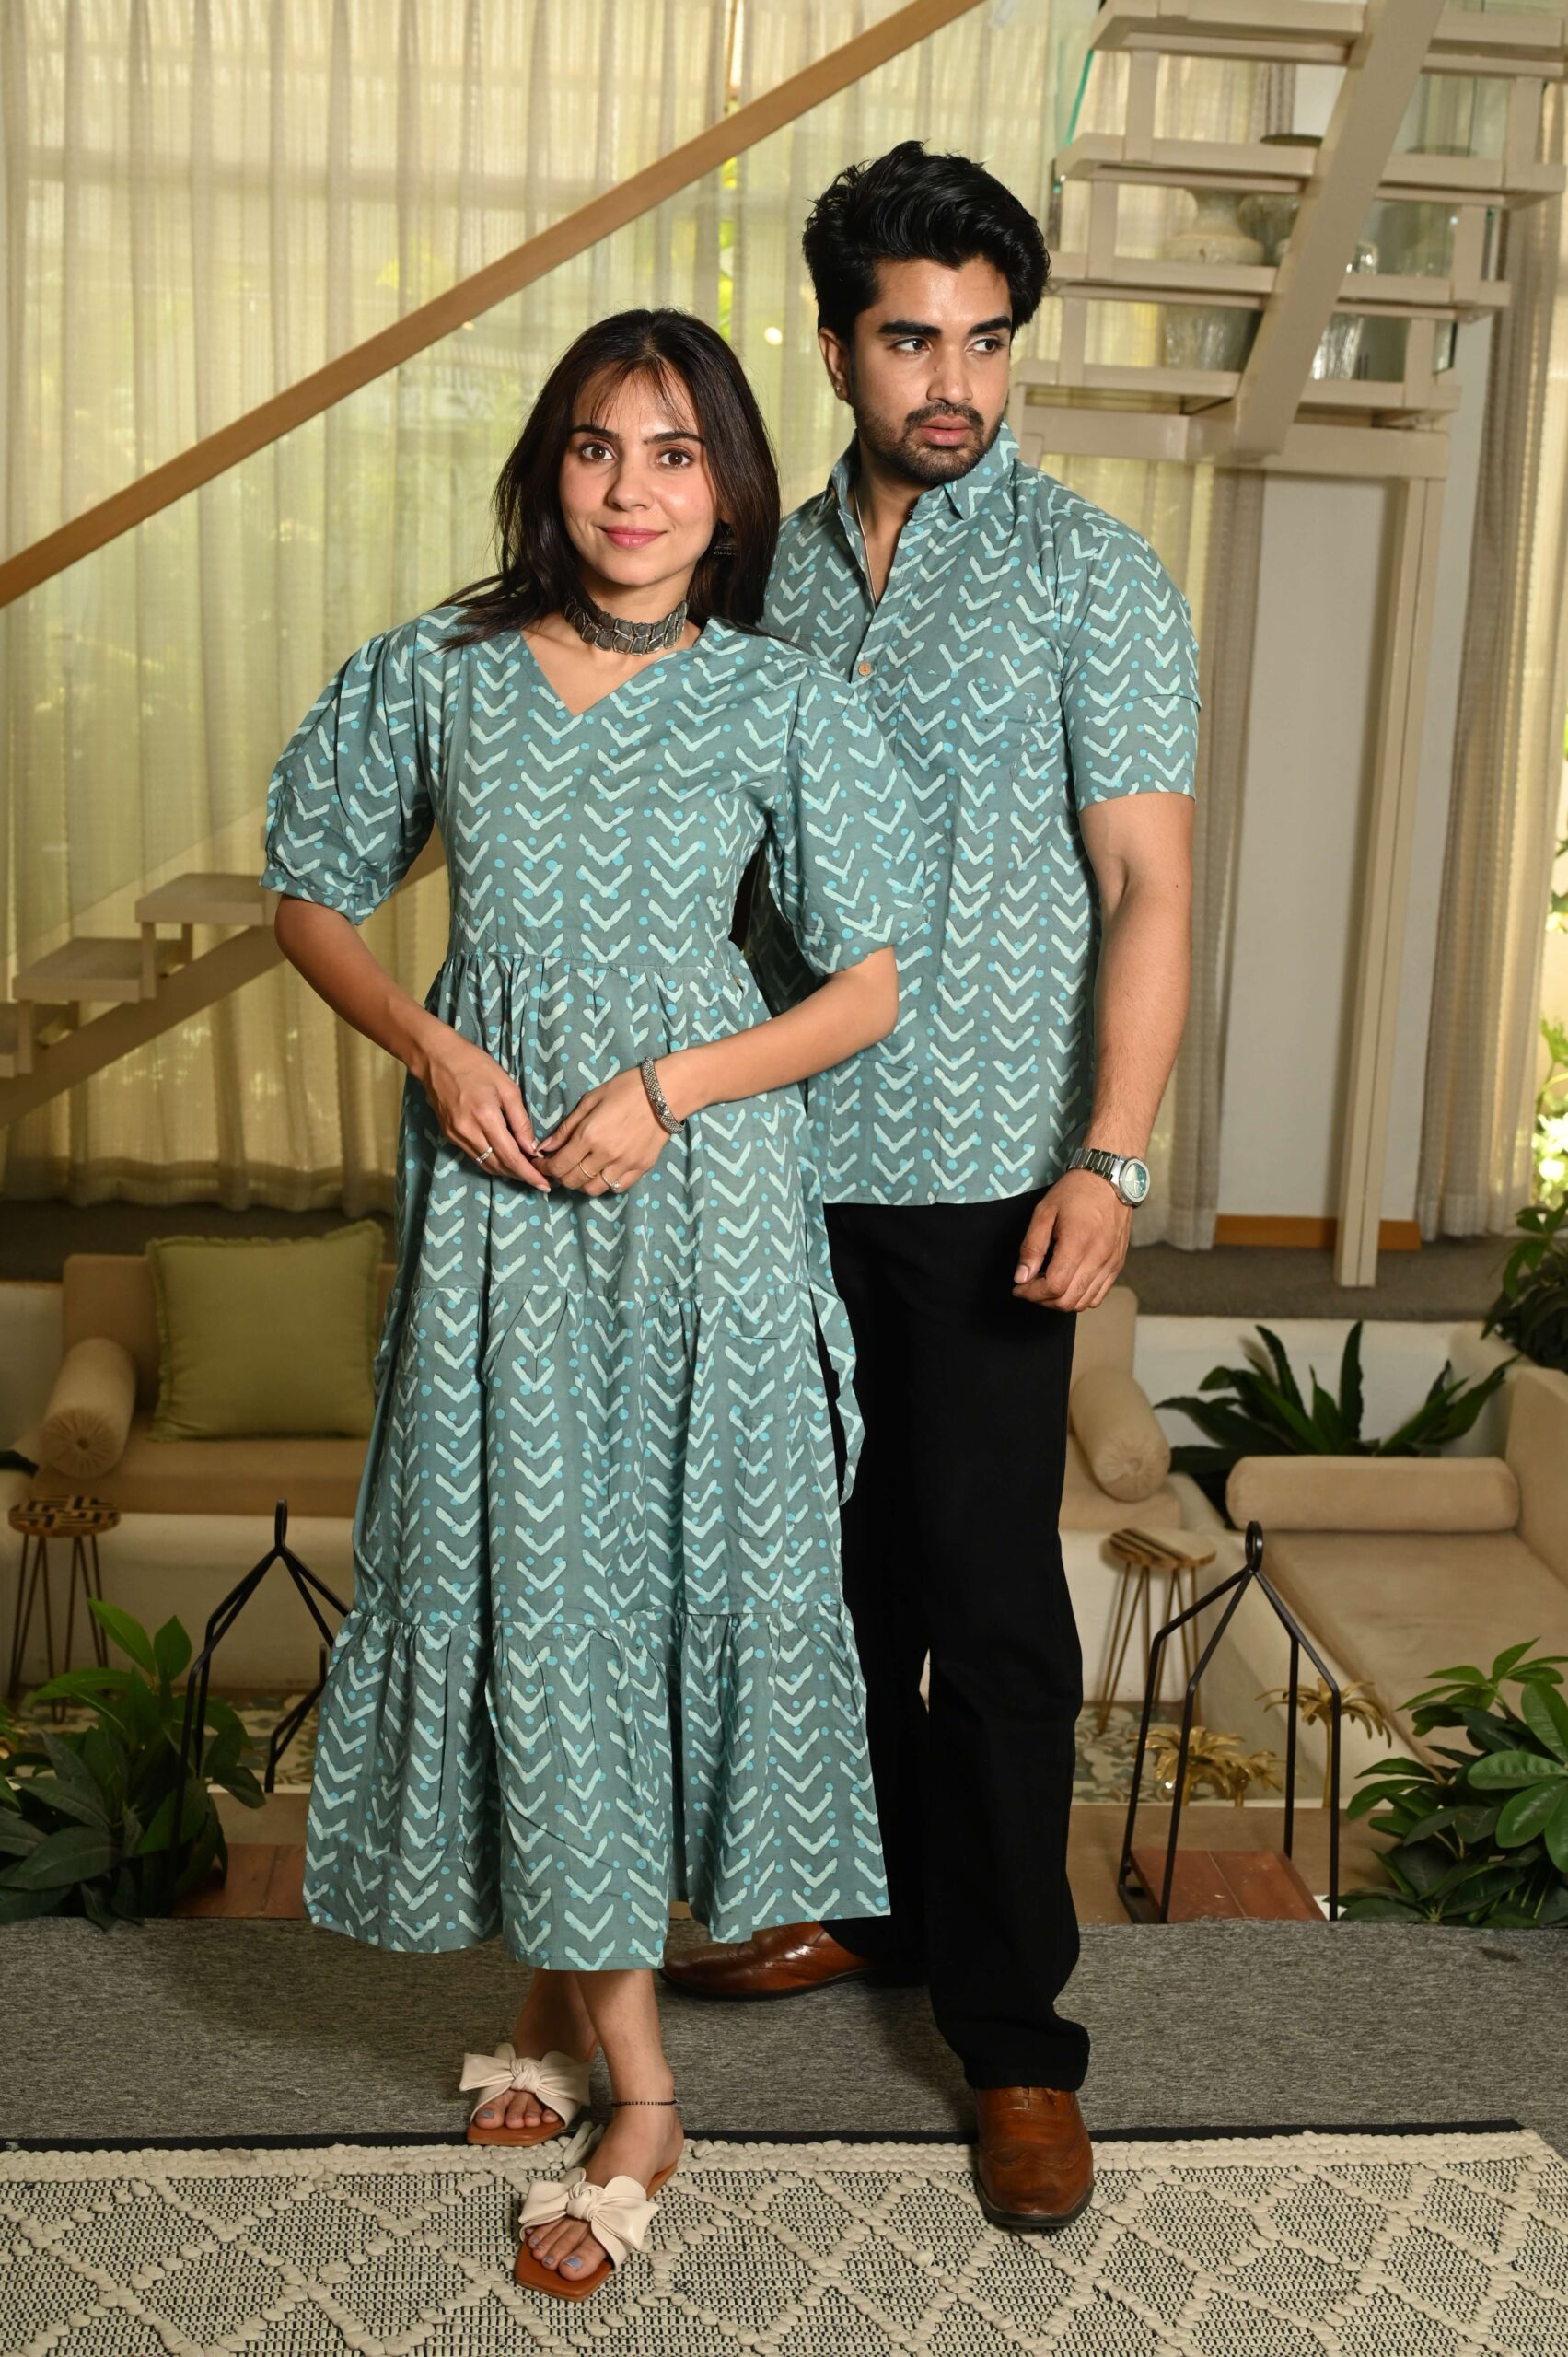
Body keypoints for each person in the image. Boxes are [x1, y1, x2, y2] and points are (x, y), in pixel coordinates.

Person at [259, 308, 926, 2300]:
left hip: (699, 1201)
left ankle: (625, 2085)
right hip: (499, 1201)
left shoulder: (780, 702)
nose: (633, 491)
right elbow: (308, 893)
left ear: (729, 491)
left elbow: (866, 987)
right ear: (549, 471)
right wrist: (429, 1044)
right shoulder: (438, 671)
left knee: (638, 1594)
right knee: (534, 1595)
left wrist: (671, 1088)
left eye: (676, 453)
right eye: (596, 448)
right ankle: (616, 2057)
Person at [664, 143, 1200, 2235]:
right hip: (767, 1168)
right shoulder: (749, 574)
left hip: (990, 1180)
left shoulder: (1093, 576)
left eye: (987, 339)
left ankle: (1016, 2043)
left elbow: (1148, 887)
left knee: (984, 1614)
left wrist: (1111, 1152)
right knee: (818, 1593)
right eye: (913, 339)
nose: (955, 380)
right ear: (835, 349)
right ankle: (866, 1904)